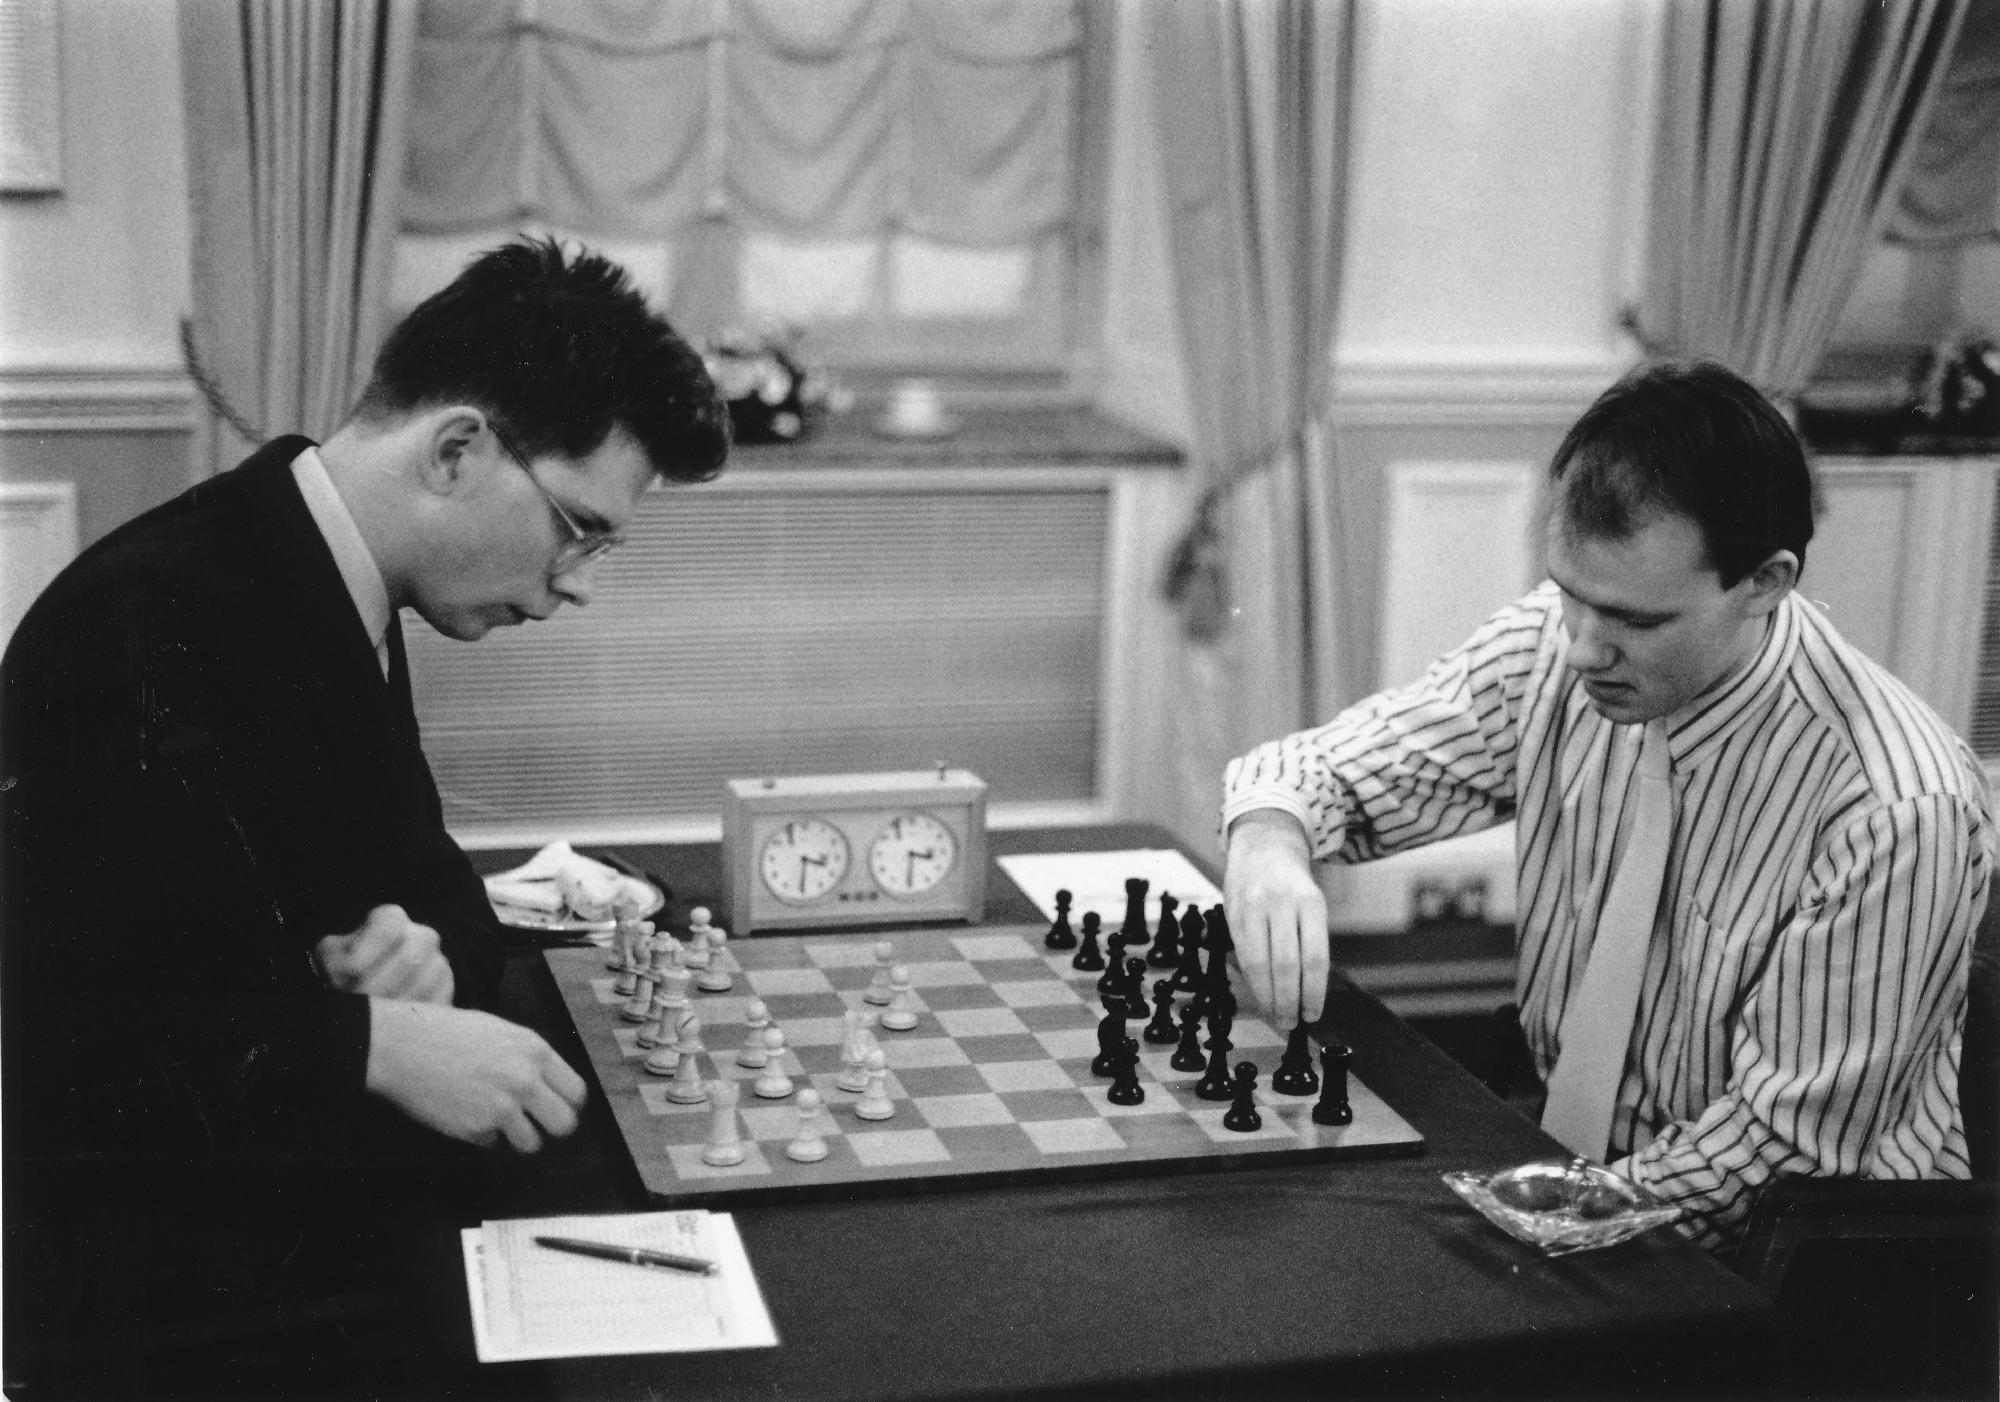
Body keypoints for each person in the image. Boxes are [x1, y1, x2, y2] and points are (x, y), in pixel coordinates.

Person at [0, 238, 731, 1394]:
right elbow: (59, 1044)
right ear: (455, 449)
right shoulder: (139, 623)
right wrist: (367, 1042)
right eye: (578, 527)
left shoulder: (330, 572)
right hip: (171, 1294)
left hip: (285, 1185)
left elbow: (426, 870)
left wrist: (423, 953)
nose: (579, 580)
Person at [1222, 360, 1994, 1251]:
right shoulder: (1555, 649)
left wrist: (1530, 1222)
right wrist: (1272, 844)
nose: (1584, 648)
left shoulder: (1897, 810)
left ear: (1766, 583)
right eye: (1568, 593)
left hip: (1808, 1266)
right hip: (1578, 1160)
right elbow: (1320, 774)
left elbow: (1785, 1149)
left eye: (1635, 620)